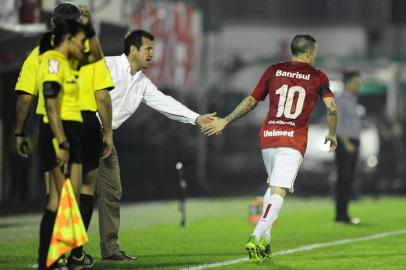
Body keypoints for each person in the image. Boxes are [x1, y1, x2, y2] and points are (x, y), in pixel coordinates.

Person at [202, 34, 338, 262]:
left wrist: (225, 120)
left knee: (273, 187)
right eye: (314, 52)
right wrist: (332, 133)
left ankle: (265, 242)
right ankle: (255, 236)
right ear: (308, 53)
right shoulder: (318, 76)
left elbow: (251, 101)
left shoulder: (274, 70)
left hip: (269, 137)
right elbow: (331, 109)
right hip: (292, 140)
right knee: (280, 191)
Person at [97, 29, 215, 260]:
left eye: (153, 49)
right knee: (79, 193)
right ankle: (70, 248)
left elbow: (165, 103)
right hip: (85, 131)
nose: (152, 54)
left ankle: (110, 249)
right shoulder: (106, 65)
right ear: (133, 50)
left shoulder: (142, 83)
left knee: (112, 191)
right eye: (148, 48)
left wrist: (197, 118)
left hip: (106, 139)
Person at [14, 2, 114, 268]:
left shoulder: (39, 54)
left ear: (52, 24)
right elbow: (102, 96)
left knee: (56, 195)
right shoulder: (69, 55)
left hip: (57, 125)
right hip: (75, 125)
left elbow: (25, 98)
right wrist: (108, 133)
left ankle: (56, 256)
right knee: (82, 191)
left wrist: (20, 130)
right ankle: (70, 254)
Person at [36, 19, 94, 270]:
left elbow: (94, 56)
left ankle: (56, 258)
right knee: (59, 202)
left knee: (67, 200)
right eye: (81, 41)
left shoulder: (70, 62)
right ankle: (47, 261)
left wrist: (89, 26)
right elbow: (51, 105)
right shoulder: (52, 61)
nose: (84, 46)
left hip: (72, 132)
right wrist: (62, 142)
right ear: (68, 38)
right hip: (59, 133)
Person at [334, 71, 361, 225]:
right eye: (356, 83)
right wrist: (347, 143)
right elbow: (336, 124)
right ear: (348, 83)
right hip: (345, 143)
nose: (358, 85)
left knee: (349, 178)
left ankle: (344, 213)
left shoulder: (353, 100)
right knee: (343, 178)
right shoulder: (341, 100)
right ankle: (341, 215)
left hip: (354, 141)